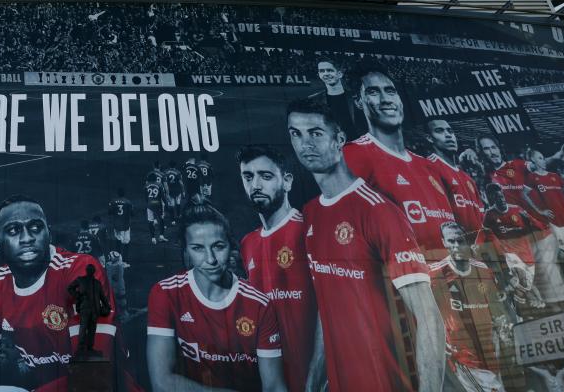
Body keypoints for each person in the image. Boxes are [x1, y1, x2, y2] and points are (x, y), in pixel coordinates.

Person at [286, 98, 445, 392]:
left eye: (315, 133)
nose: (304, 143)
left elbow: (428, 317)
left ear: (339, 140)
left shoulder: (378, 211)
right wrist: (314, 381)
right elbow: (328, 303)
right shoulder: (310, 214)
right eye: (295, 133)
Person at [0, 195, 115, 391]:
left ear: (49, 233)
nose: (27, 238)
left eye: (35, 228)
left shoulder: (81, 273)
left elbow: (91, 374)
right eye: (13, 230)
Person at [146, 204, 287, 392]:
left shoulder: (259, 305)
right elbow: (162, 383)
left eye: (218, 246)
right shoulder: (165, 293)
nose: (210, 259)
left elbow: (275, 386)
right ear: (186, 251)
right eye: (198, 248)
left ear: (230, 246)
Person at [343, 65, 457, 254]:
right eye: (373, 92)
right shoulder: (352, 155)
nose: (386, 99)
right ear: (359, 101)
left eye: (390, 91)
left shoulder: (429, 166)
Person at [238, 144, 318, 392]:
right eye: (248, 177)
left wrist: (315, 383)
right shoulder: (248, 243)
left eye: (266, 176)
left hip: (316, 381)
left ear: (287, 181)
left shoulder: (309, 229)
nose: (256, 185)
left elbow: (330, 316)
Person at [477, 138, 564, 309]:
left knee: (548, 275)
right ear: (481, 153)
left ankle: (561, 312)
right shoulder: (487, 177)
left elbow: (539, 165)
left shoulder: (517, 165)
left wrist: (556, 156)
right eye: (486, 149)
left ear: (499, 148)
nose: (492, 152)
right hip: (517, 237)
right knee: (535, 280)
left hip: (538, 229)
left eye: (493, 147)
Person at [428, 222, 508, 392]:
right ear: (444, 242)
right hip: (463, 355)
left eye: (460, 241)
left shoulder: (483, 271)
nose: (456, 246)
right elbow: (425, 313)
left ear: (467, 242)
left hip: (491, 351)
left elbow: (496, 307)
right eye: (451, 241)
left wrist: (502, 325)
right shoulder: (434, 275)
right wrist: (439, 341)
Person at [477, 182, 548, 310]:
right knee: (519, 278)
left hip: (527, 254)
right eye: (497, 198)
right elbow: (484, 233)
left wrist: (530, 219)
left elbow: (539, 227)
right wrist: (477, 245)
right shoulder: (490, 215)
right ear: (493, 199)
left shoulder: (517, 210)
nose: (501, 200)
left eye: (502, 197)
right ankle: (516, 302)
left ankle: (538, 303)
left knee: (528, 284)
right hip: (510, 254)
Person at [425, 119, 485, 236]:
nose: (448, 135)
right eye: (440, 131)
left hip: (480, 246)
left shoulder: (466, 177)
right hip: (457, 247)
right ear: (429, 138)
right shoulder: (428, 168)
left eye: (450, 131)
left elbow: (481, 218)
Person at [527, 148, 564, 259]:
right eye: (540, 158)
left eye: (543, 158)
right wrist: (539, 211)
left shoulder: (555, 176)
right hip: (555, 221)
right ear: (533, 160)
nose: (543, 161)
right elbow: (524, 196)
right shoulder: (532, 177)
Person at [308, 59, 362, 139]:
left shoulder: (357, 96)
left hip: (358, 143)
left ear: (340, 74)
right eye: (322, 71)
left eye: (329, 70)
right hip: (332, 145)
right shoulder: (314, 100)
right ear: (319, 75)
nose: (326, 74)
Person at [67, 263, 110, 354]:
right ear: (87, 271)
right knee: (84, 327)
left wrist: (107, 306)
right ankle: (81, 347)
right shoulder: (80, 280)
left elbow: (102, 296)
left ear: (93, 271)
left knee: (92, 329)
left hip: (95, 309)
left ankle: (90, 347)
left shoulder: (97, 283)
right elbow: (70, 288)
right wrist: (77, 296)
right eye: (89, 269)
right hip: (85, 308)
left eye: (92, 270)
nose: (90, 271)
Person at [108, 187, 133, 257]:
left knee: (118, 242)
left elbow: (109, 212)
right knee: (126, 243)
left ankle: (118, 259)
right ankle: (125, 261)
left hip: (117, 225)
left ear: (117, 194)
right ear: (124, 194)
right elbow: (132, 213)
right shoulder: (128, 202)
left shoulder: (113, 201)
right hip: (126, 225)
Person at [146, 172, 168, 244]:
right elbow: (162, 196)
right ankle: (161, 236)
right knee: (161, 219)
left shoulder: (146, 185)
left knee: (150, 221)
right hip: (157, 204)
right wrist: (166, 203)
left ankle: (153, 238)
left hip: (149, 205)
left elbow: (145, 197)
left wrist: (148, 203)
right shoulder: (159, 184)